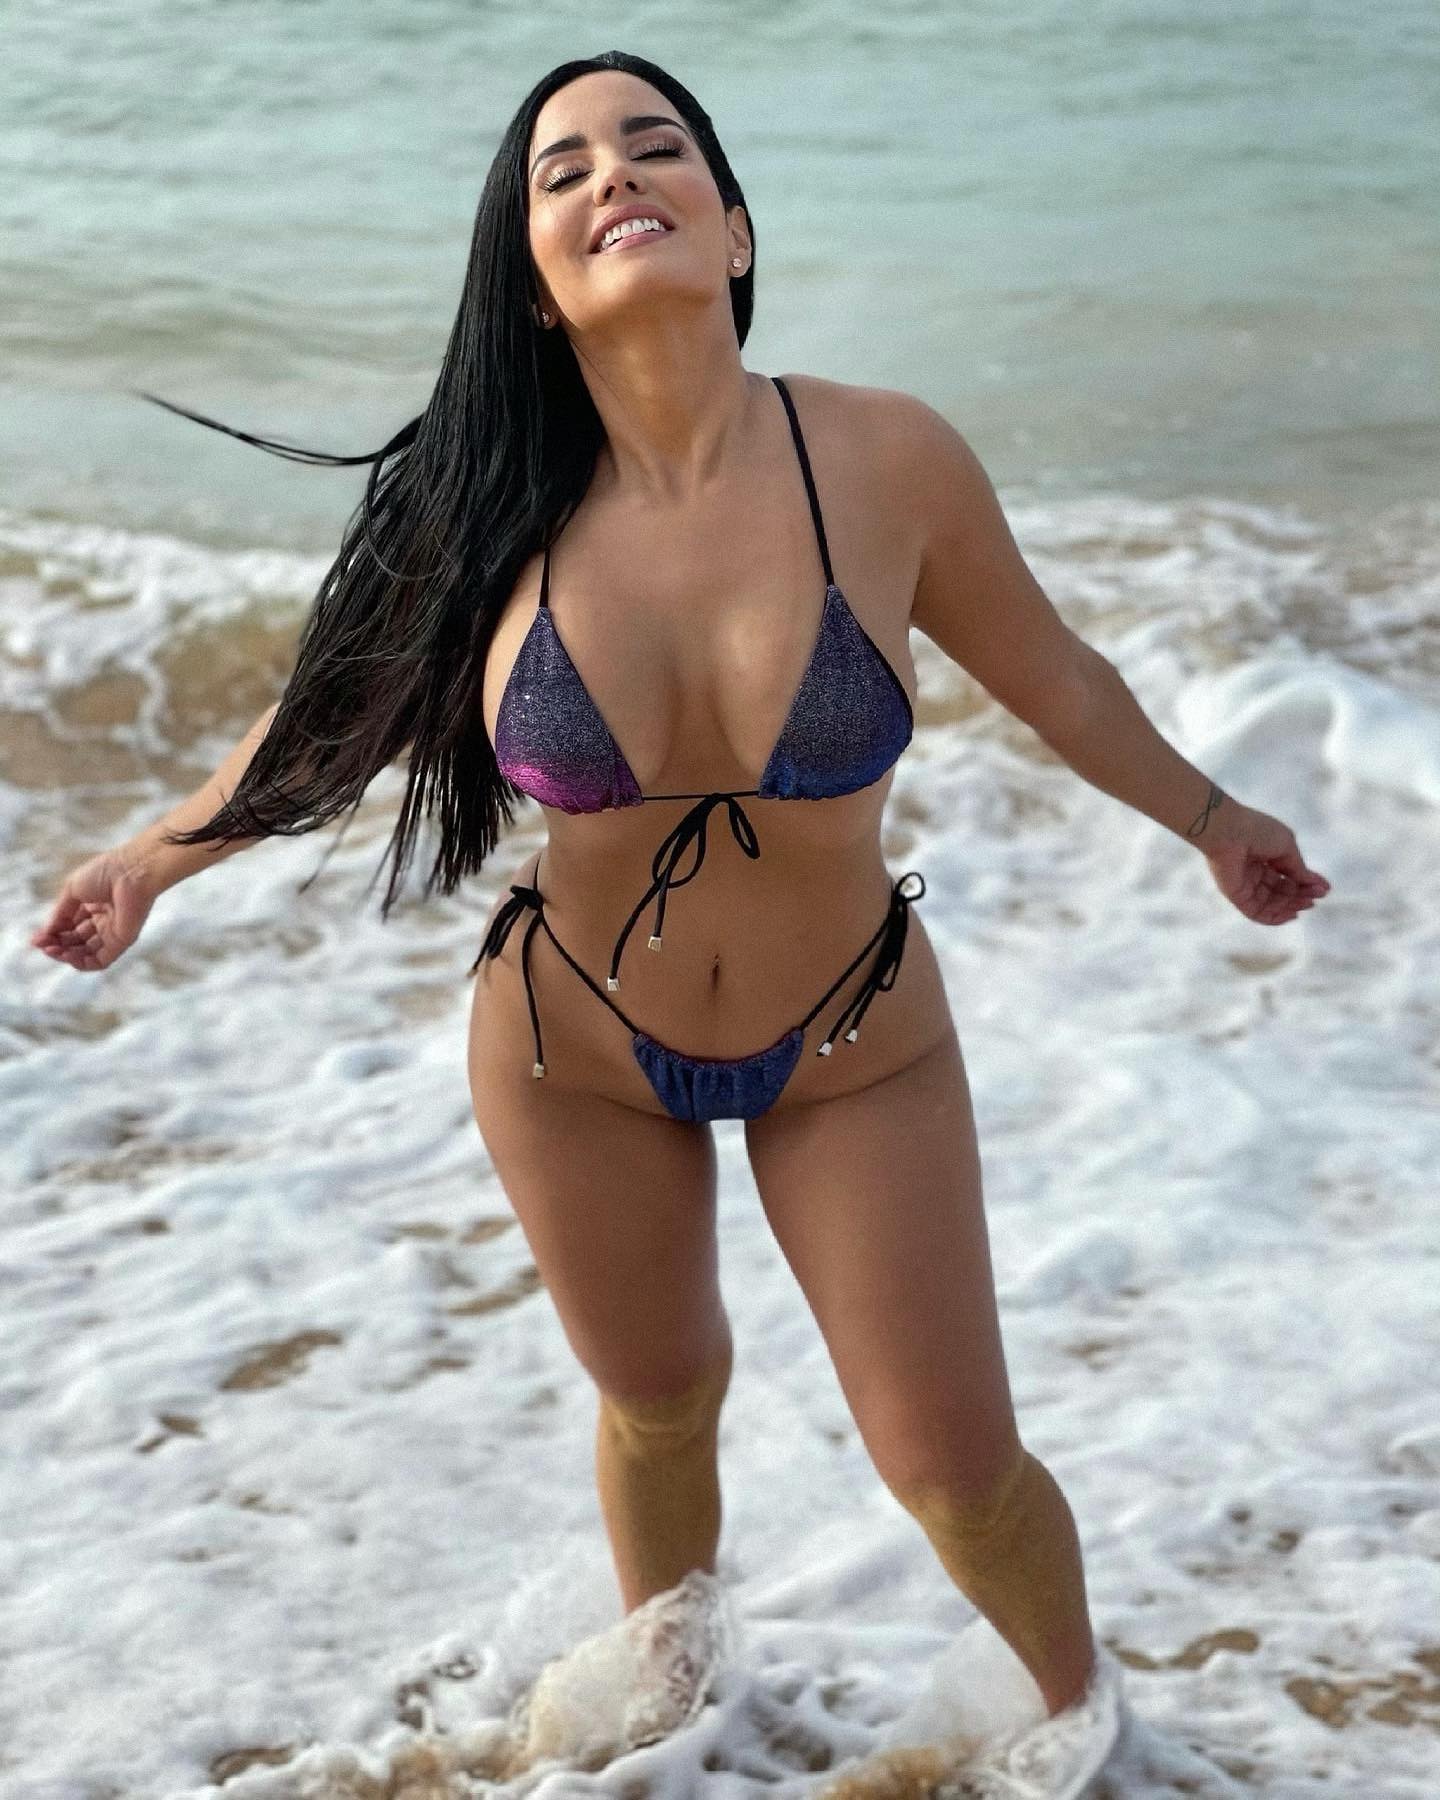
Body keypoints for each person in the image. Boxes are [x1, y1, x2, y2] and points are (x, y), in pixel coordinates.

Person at [30, 50, 1330, 1741]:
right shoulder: (482, 508)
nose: (612, 177)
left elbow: (1061, 679)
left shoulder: (884, 457)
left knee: (955, 1469)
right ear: (534, 283)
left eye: (653, 148)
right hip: (574, 1049)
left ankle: (1093, 1739)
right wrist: (148, 861)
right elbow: (326, 727)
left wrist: (1216, 820)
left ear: (735, 227)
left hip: (854, 1040)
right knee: (659, 1400)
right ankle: (675, 1718)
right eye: (561, 170)